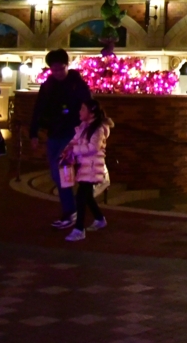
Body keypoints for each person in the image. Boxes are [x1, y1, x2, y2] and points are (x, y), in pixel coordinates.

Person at [29, 50, 92, 229]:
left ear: (67, 65)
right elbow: (38, 108)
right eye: (54, 69)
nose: (57, 73)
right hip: (54, 133)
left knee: (61, 172)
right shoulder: (48, 85)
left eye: (60, 69)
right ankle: (72, 210)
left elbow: (89, 107)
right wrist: (33, 133)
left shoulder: (77, 85)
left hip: (71, 134)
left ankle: (70, 211)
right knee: (58, 173)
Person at [60, 98, 113, 242]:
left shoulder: (98, 129)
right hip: (85, 167)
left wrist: (74, 150)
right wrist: (67, 149)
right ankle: (99, 219)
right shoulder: (84, 127)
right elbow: (74, 140)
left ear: (92, 112)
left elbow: (93, 148)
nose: (80, 111)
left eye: (83, 109)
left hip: (93, 168)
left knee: (81, 196)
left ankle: (79, 229)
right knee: (86, 196)